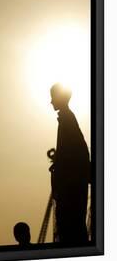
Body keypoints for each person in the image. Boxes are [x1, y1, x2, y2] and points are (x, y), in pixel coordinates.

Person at [47, 83, 90, 245]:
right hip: (72, 182)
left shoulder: (67, 120)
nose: (51, 102)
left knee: (71, 226)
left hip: (71, 186)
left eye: (52, 98)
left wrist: (62, 168)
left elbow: (75, 153)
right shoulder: (66, 120)